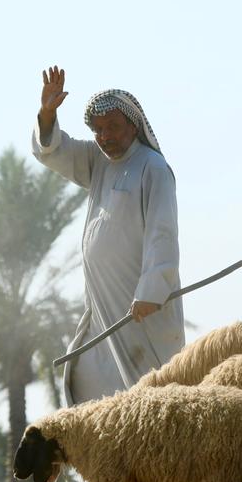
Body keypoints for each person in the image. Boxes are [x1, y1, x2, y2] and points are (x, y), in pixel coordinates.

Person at [32, 65, 186, 407]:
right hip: (102, 307)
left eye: (112, 128)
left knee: (152, 398)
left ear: (132, 125)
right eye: (98, 130)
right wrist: (47, 113)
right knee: (96, 394)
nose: (105, 137)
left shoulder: (153, 168)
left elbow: (163, 234)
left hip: (143, 309)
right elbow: (54, 151)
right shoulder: (99, 161)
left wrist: (152, 291)